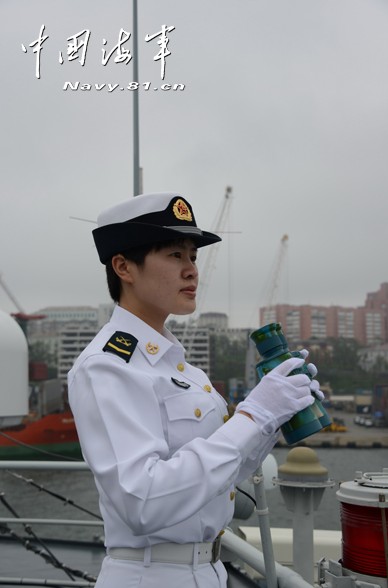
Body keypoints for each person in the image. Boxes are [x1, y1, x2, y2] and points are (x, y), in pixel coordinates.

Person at [68, 192, 321, 588]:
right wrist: (255, 414)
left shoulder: (179, 366)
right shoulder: (108, 365)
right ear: (123, 267)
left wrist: (273, 419)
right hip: (149, 575)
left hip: (209, 571)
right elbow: (144, 501)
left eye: (193, 256)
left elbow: (223, 472)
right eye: (174, 255)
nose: (191, 270)